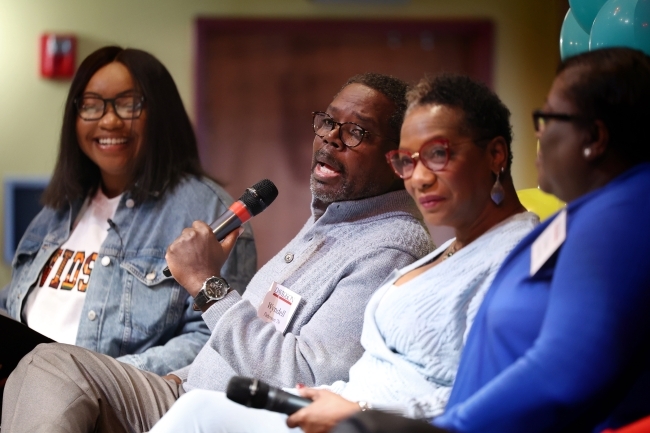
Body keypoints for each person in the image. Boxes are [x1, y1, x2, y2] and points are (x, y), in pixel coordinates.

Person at [1, 73, 434, 433]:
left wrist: (207, 285)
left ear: (398, 159)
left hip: (226, 417)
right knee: (50, 365)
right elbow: (243, 340)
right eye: (328, 123)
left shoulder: (388, 248)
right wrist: (181, 376)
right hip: (183, 391)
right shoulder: (333, 220)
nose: (331, 139)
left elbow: (305, 378)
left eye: (356, 131)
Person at [141, 74, 540, 433]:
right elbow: (372, 368)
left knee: (194, 413)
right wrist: (334, 397)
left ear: (496, 156)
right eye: (409, 161)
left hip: (370, 423)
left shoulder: (518, 258)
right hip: (328, 407)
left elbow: (481, 394)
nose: (419, 176)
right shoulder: (448, 251)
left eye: (438, 155)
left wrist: (356, 408)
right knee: (196, 408)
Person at [0, 46, 256, 375]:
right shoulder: (59, 208)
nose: (109, 120)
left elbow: (216, 341)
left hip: (110, 414)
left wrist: (99, 380)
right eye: (91, 105)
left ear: (161, 114)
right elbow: (13, 302)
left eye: (128, 103)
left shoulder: (208, 212)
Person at [432, 48, 650, 432]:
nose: (538, 133)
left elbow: (565, 367)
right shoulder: (600, 210)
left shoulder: (621, 214)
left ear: (595, 137)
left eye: (547, 118)